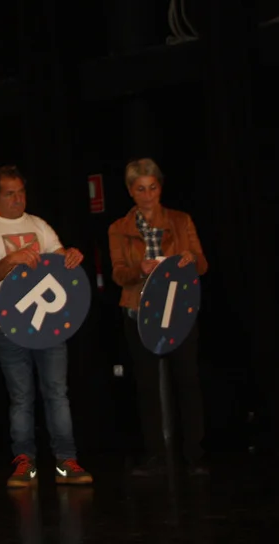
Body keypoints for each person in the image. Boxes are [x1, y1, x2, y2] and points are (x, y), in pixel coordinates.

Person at [0, 166, 93, 487]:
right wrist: (12, 258)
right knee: (22, 397)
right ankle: (25, 461)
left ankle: (66, 460)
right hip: (8, 326)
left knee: (57, 393)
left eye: (21, 192)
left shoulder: (39, 225)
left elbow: (60, 260)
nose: (17, 199)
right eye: (9, 194)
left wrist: (71, 257)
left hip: (48, 325)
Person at [108, 158, 209, 476]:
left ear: (160, 188)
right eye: (141, 189)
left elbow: (202, 264)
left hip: (177, 308)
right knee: (148, 385)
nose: (148, 195)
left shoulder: (180, 220)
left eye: (152, 188)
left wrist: (191, 259)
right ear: (130, 191)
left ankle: (194, 455)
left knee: (187, 381)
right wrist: (140, 269)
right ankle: (156, 456)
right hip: (139, 311)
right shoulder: (119, 228)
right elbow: (118, 274)